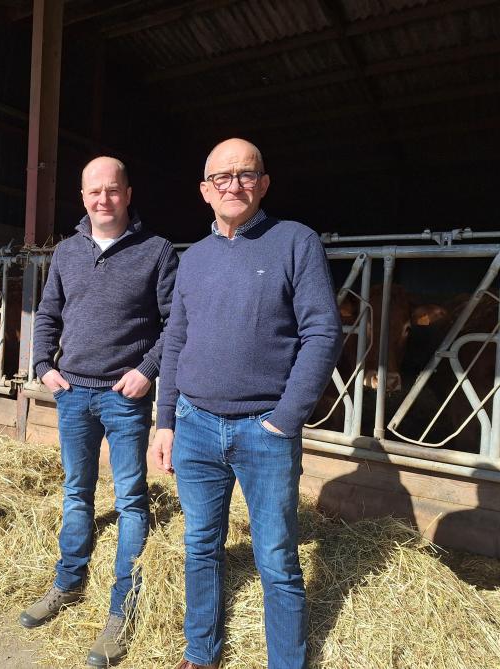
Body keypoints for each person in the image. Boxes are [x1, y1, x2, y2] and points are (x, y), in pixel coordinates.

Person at [150, 138, 342, 669]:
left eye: (244, 174)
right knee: (201, 545)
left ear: (263, 183)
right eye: (221, 178)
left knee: (277, 558)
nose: (233, 185)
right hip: (195, 424)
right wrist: (164, 422)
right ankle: (200, 652)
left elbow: (323, 333)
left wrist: (285, 419)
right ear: (205, 192)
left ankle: (286, 662)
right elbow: (175, 343)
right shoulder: (194, 259)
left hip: (265, 430)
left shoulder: (294, 242)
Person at [21, 156, 178, 667]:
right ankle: (68, 583)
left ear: (128, 193)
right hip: (73, 394)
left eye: (112, 190)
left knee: (132, 498)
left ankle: (122, 607)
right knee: (76, 490)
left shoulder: (156, 252)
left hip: (124, 396)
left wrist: (147, 371)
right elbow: (48, 311)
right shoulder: (67, 251)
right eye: (94, 192)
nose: (103, 199)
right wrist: (44, 364)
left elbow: (174, 324)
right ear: (82, 196)